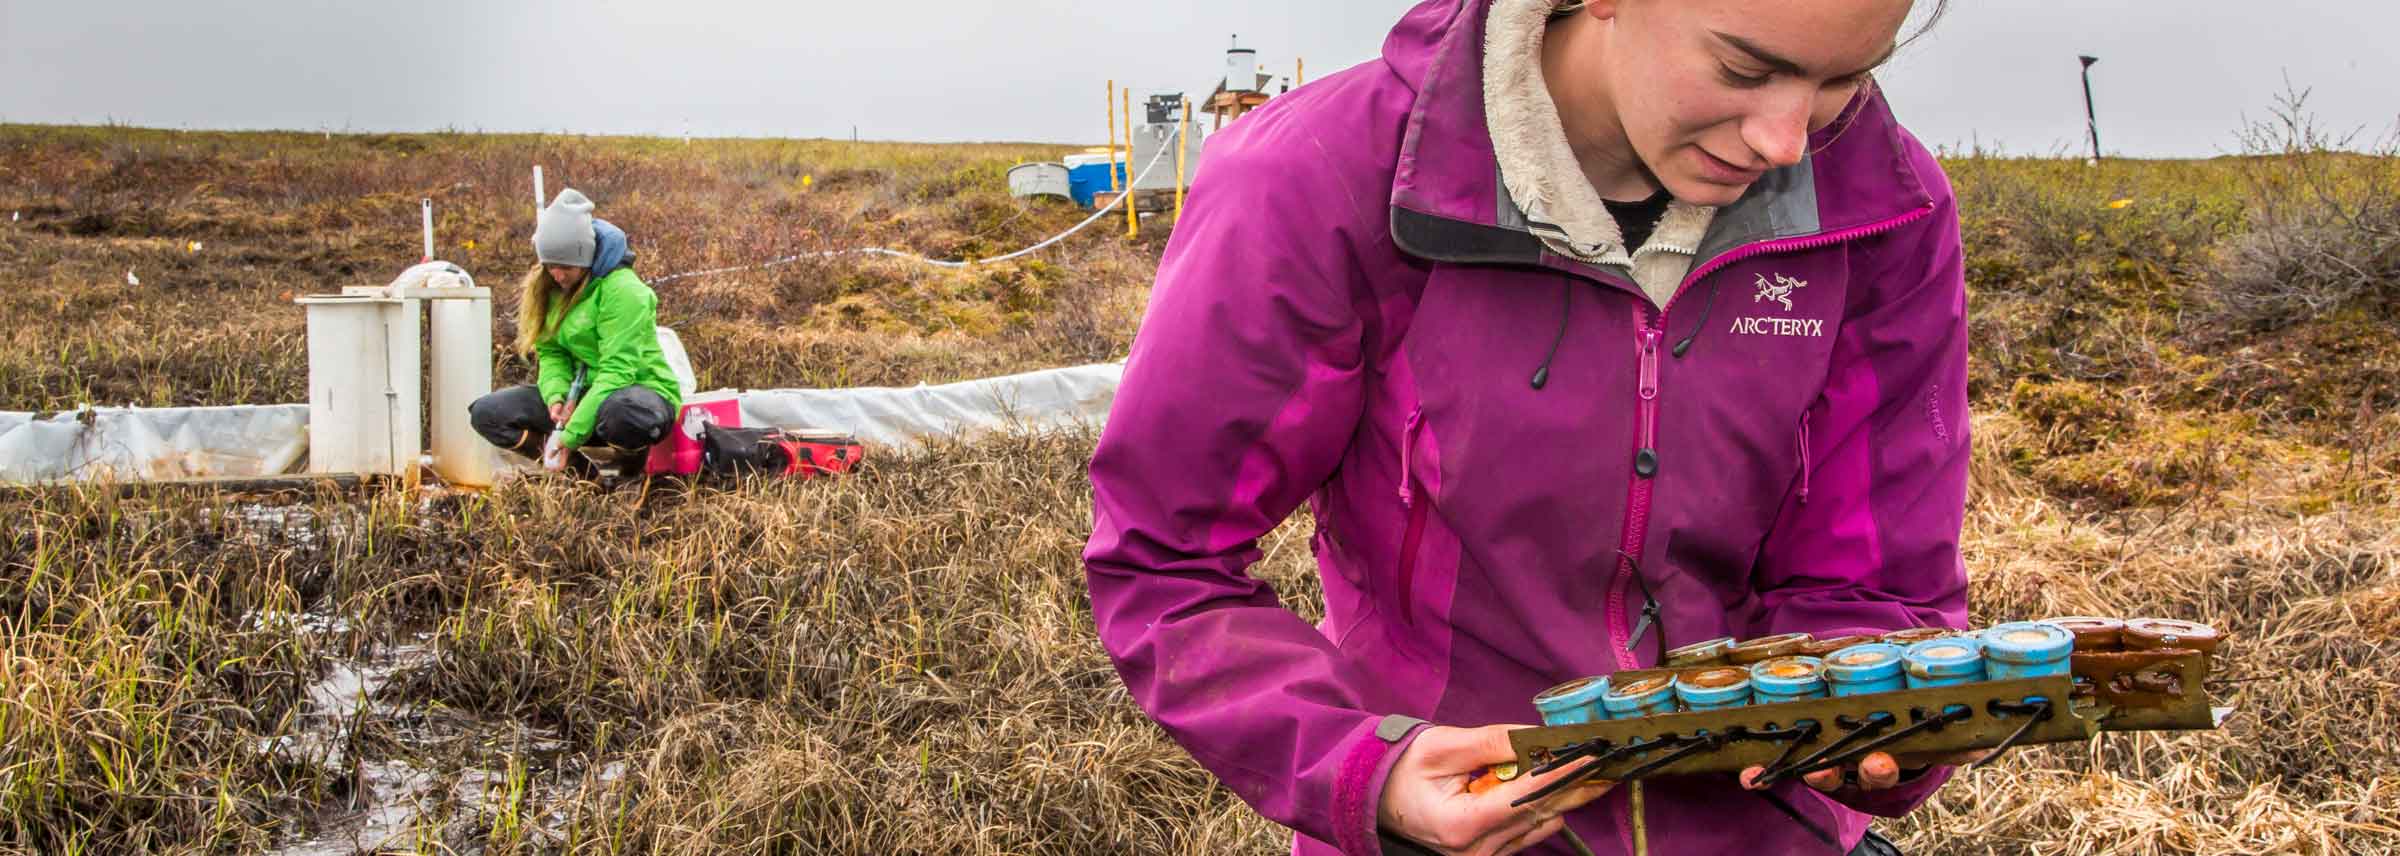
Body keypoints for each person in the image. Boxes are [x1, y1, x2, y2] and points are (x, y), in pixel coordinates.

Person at [1083, 0, 1973, 853]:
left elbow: (1879, 586)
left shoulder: (1884, 209)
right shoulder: (1321, 175)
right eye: (1746, 68)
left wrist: (1877, 716)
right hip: (1454, 828)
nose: (1786, 139)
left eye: (1843, 78)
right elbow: (1165, 560)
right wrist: (1364, 768)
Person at [470, 189, 682, 473]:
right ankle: (582, 475)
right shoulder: (550, 287)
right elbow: (551, 351)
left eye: (566, 267)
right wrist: (556, 397)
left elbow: (618, 372)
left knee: (625, 415)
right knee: (488, 413)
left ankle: (629, 476)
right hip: (583, 396)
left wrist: (570, 436)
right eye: (550, 266)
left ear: (586, 257)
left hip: (637, 393)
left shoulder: (624, 291)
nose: (557, 275)